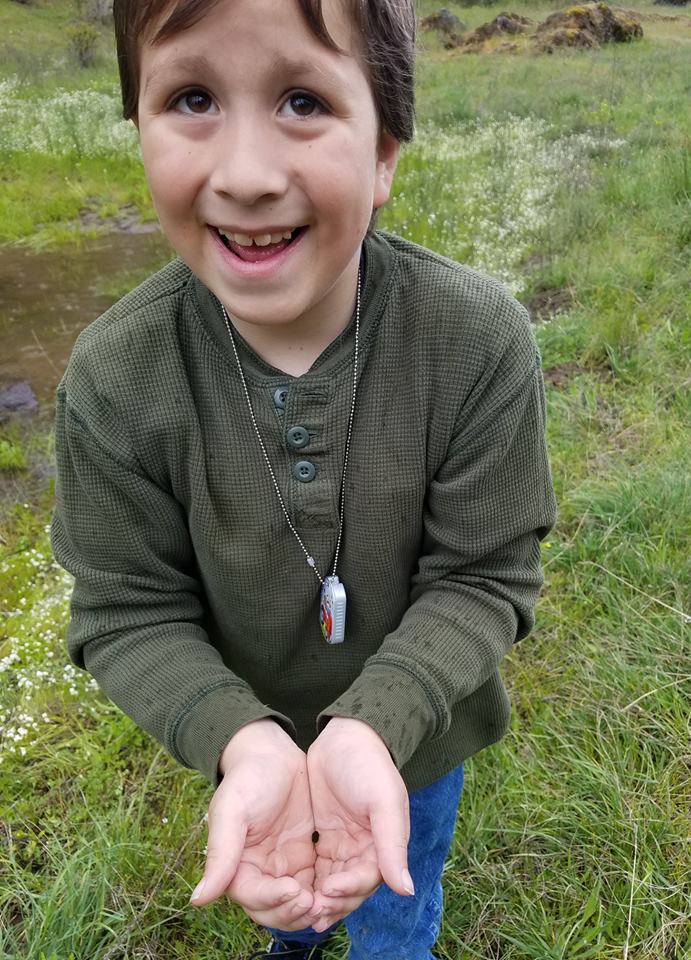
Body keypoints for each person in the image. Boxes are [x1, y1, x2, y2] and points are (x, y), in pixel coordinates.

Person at [51, 0, 557, 957]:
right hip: (253, 740)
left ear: (384, 155)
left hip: (413, 741)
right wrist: (242, 742)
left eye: (302, 100)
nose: (244, 175)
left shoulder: (477, 342)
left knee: (398, 907)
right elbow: (128, 611)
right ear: (138, 128)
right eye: (192, 97)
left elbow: (483, 575)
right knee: (296, 907)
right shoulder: (115, 379)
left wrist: (373, 730)